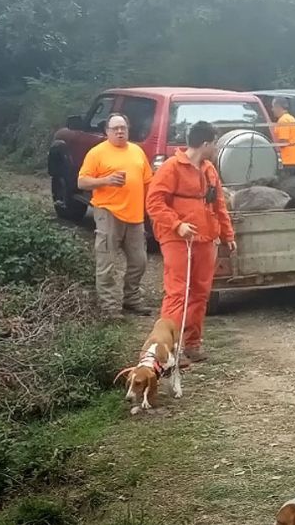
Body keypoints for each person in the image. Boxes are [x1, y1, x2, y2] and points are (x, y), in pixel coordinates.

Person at [145, 121, 236, 367]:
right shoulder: (171, 168)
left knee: (200, 293)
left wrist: (228, 235)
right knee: (177, 293)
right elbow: (153, 203)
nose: (216, 148)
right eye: (215, 143)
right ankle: (168, 351)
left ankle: (192, 345)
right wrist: (177, 225)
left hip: (206, 239)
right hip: (177, 240)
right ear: (205, 143)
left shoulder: (209, 170)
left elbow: (219, 205)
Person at [77, 112, 154, 318]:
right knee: (107, 262)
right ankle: (110, 308)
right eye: (115, 128)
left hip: (135, 215)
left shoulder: (137, 151)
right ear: (107, 131)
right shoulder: (97, 153)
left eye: (123, 128)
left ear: (128, 130)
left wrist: (150, 208)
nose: (120, 132)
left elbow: (148, 181)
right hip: (108, 212)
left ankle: (131, 299)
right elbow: (81, 182)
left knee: (140, 261)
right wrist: (106, 180)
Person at [271, 97, 295, 175]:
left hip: (287, 161)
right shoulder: (291, 118)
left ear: (278, 107)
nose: (272, 110)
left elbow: (283, 141)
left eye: (273, 107)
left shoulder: (283, 121)